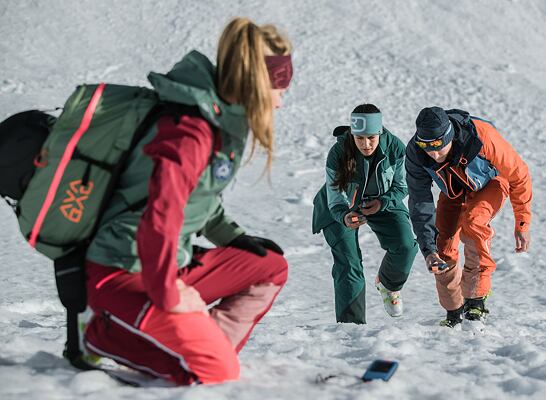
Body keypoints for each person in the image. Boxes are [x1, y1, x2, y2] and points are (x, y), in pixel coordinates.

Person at [82, 18, 293, 385]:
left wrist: (232, 237)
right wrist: (167, 294)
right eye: (280, 84)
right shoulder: (190, 132)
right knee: (216, 372)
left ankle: (195, 342)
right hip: (122, 271)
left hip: (162, 263)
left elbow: (199, 200)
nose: (282, 97)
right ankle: (106, 337)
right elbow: (160, 214)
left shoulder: (216, 122)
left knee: (270, 267)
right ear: (256, 83)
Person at [405, 106, 532, 328]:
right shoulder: (416, 154)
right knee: (441, 246)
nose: (433, 154)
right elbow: (419, 203)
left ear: (450, 136)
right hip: (454, 190)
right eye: (426, 147)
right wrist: (428, 250)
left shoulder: (482, 136)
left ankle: (476, 300)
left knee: (474, 223)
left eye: (438, 145)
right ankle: (454, 310)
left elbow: (519, 174)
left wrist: (522, 222)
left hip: (491, 183)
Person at [312, 104, 418, 324]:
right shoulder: (338, 152)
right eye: (360, 138)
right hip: (341, 208)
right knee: (349, 265)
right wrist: (344, 216)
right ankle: (352, 328)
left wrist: (383, 202)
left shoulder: (395, 148)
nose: (366, 144)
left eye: (371, 137)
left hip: (382, 201)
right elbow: (334, 197)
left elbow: (402, 186)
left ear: (379, 133)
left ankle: (389, 284)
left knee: (406, 245)